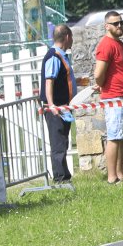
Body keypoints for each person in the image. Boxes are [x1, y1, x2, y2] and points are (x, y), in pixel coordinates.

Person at [92, 11, 123, 184]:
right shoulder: (106, 45)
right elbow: (98, 74)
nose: (119, 26)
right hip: (114, 97)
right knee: (114, 137)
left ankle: (120, 174)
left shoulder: (118, 43)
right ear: (107, 26)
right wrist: (101, 84)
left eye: (121, 23)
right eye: (115, 23)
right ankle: (112, 177)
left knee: (121, 137)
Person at [41, 24, 76, 182]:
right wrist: (51, 104)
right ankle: (60, 178)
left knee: (63, 141)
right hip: (56, 108)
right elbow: (49, 81)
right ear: (67, 37)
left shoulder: (60, 55)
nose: (72, 40)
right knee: (58, 144)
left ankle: (64, 175)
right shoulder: (54, 56)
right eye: (71, 37)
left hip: (62, 106)